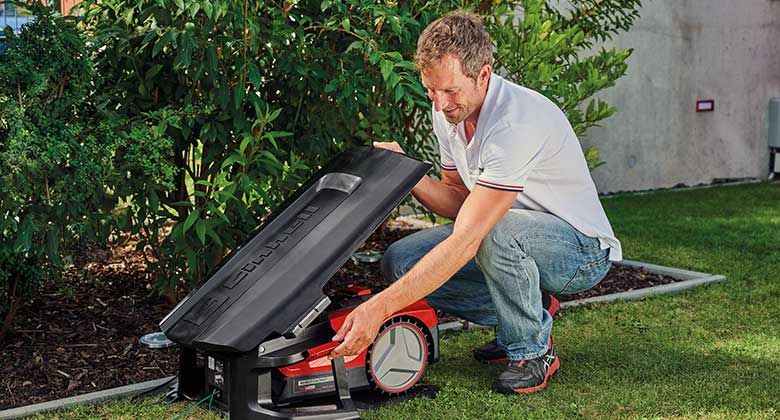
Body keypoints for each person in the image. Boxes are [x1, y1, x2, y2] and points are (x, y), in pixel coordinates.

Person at [328, 10, 622, 394]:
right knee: (400, 260)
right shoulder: (450, 112)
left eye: (449, 91)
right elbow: (457, 198)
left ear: (482, 75)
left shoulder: (515, 124)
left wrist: (378, 309)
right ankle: (531, 310)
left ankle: (532, 352)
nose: (439, 104)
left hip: (579, 252)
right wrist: (407, 174)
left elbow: (470, 235)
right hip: (509, 235)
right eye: (431, 90)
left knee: (491, 231)